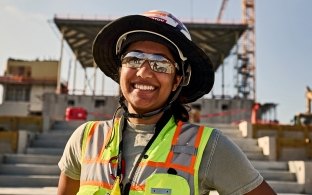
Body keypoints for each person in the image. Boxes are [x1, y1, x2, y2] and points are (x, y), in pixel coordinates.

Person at [57, 10, 276, 195]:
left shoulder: (209, 147)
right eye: (133, 59)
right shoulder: (85, 139)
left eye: (160, 64)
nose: (143, 72)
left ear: (177, 80)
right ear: (120, 70)